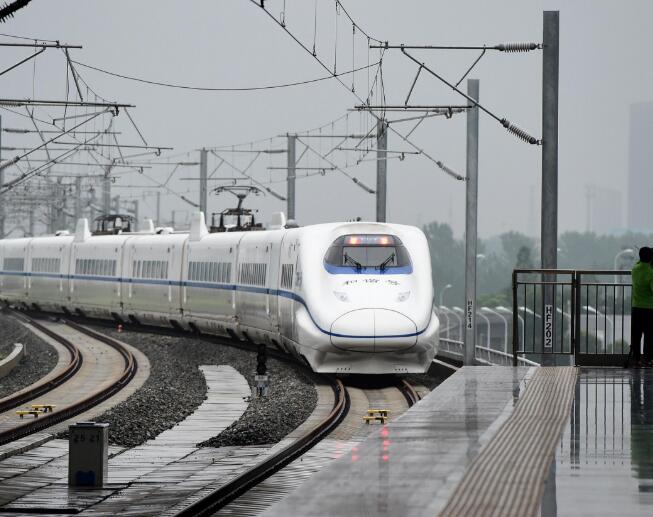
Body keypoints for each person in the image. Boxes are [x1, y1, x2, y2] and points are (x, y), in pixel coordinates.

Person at [631, 246, 653, 367]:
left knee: (636, 335)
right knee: (649, 335)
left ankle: (636, 359)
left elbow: (639, 263)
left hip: (636, 307)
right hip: (649, 308)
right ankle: (647, 359)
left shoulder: (635, 269)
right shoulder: (651, 272)